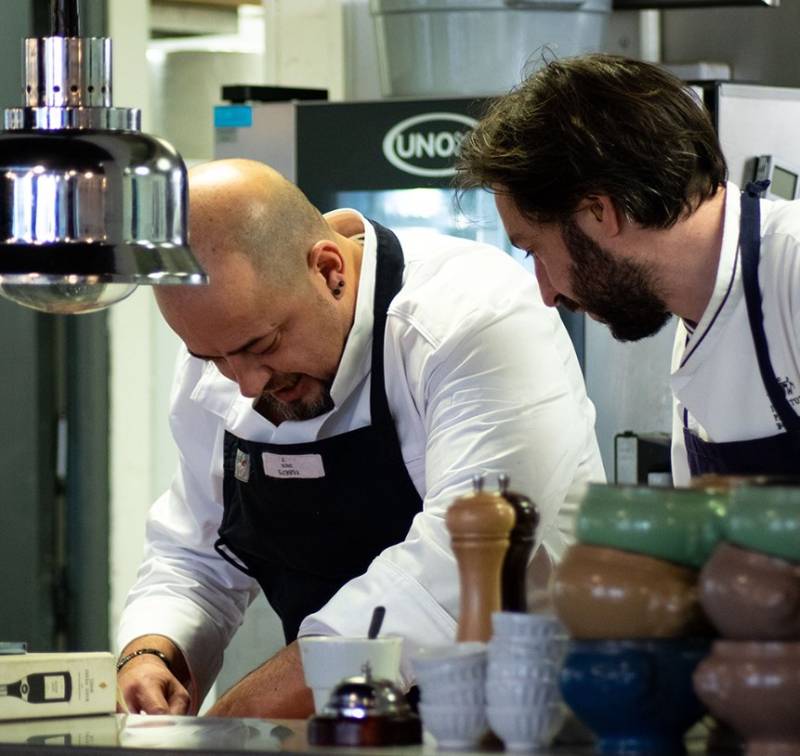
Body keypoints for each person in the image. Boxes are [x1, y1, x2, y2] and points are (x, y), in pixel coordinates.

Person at [116, 158, 604, 718]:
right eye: (212, 358)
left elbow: (452, 573)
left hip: (524, 718)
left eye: (264, 345)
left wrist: (239, 716)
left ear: (328, 270)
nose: (246, 383)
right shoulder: (227, 346)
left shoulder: (472, 317)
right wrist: (153, 653)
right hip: (344, 724)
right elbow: (197, 553)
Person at [456, 53, 800, 484]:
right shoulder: (696, 324)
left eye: (536, 252)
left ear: (598, 211)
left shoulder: (792, 266)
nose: (546, 293)